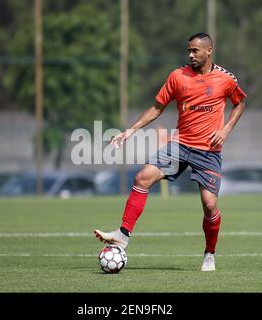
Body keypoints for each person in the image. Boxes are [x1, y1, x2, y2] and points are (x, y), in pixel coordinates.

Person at [94, 33, 247, 272]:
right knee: (142, 178)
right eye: (189, 50)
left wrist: (226, 129)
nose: (190, 55)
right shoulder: (178, 76)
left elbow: (240, 103)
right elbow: (156, 108)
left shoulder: (225, 79)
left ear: (209, 51)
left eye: (195, 50)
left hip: (208, 152)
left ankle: (209, 253)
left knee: (209, 206)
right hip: (180, 145)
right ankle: (123, 235)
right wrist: (129, 131)